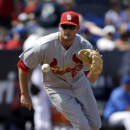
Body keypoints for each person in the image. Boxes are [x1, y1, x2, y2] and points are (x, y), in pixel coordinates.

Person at [17, 11, 102, 130]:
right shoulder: (44, 44)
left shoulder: (84, 45)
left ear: (78, 28)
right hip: (57, 88)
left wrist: (95, 70)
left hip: (80, 85)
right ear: (59, 27)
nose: (67, 30)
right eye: (64, 26)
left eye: (71, 27)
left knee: (95, 125)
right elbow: (23, 65)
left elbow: (91, 79)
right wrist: (25, 93)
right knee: (82, 125)